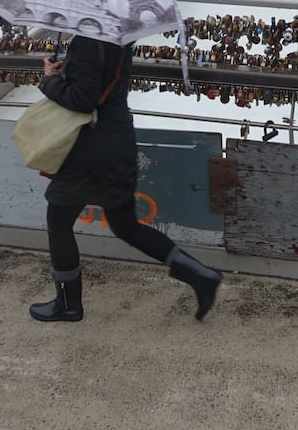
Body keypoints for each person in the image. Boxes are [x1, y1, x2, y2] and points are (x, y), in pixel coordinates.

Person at [29, 35, 222, 323]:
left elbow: (83, 100)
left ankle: (68, 304)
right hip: (117, 141)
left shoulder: (88, 40)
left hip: (90, 150)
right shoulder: (118, 37)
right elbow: (99, 83)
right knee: (125, 226)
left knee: (58, 221)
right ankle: (200, 275)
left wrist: (49, 80)